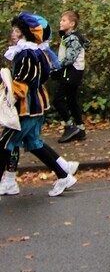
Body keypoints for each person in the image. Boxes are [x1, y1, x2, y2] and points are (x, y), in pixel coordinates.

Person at [0, 13, 78, 197]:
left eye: (17, 30)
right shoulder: (34, 51)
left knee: (4, 144)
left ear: (25, 33)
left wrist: (6, 86)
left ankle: (63, 174)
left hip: (26, 109)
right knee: (34, 143)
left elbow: (22, 85)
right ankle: (63, 174)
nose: (13, 33)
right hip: (36, 106)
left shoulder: (26, 53)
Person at [55, 11, 90, 143]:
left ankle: (70, 127)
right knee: (71, 100)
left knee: (58, 100)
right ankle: (80, 129)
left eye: (64, 20)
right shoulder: (68, 37)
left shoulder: (73, 38)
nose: (61, 22)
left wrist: (55, 66)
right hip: (74, 73)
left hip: (71, 73)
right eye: (61, 20)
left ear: (72, 24)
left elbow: (69, 58)